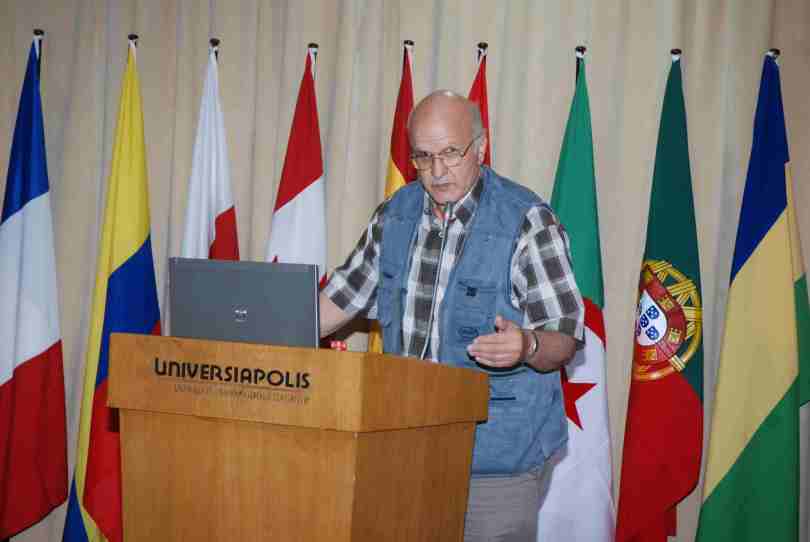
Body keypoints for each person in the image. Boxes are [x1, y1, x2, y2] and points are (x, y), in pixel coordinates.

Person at [320, 90, 584, 541]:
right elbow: (340, 300)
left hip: (496, 462)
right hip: (406, 445)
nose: (437, 171)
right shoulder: (395, 215)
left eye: (450, 153)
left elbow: (564, 336)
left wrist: (527, 344)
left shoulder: (527, 220)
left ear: (480, 147)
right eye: (423, 157)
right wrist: (269, 333)